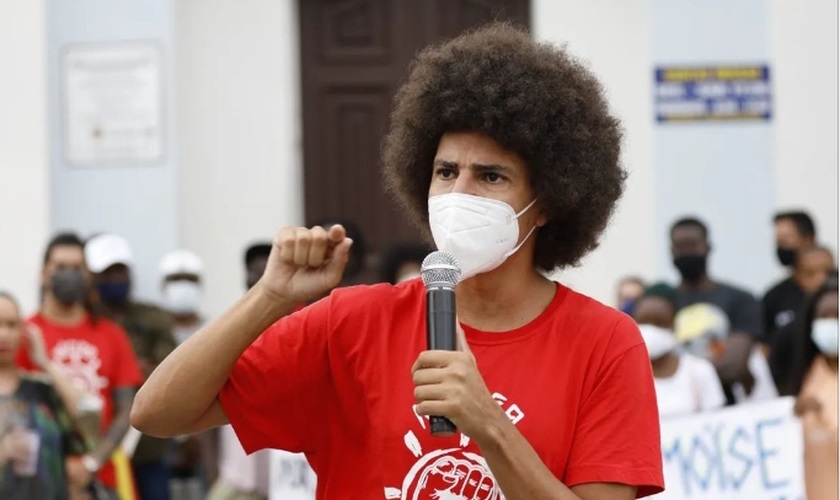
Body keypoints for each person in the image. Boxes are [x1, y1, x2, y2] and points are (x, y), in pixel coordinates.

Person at [133, 23, 664, 499]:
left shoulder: (604, 344)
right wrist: (268, 298)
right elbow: (156, 413)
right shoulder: (351, 323)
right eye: (446, 171)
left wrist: (489, 424)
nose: (461, 192)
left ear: (546, 202)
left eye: (491, 176)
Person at [16, 232, 143, 499]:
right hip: (40, 480)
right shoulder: (25, 335)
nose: (69, 275)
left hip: (103, 479)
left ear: (87, 276)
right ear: (43, 274)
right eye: (61, 267)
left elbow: (127, 409)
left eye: (77, 268)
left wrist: (91, 462)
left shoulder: (112, 335)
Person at [84, 233, 178, 500]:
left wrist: (129, 371)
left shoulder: (153, 317)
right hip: (100, 445)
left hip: (149, 444)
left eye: (120, 271)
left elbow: (171, 370)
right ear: (92, 276)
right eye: (108, 273)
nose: (116, 280)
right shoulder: (88, 322)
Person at [0, 291, 88, 499]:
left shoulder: (42, 389)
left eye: (11, 325)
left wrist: (45, 363)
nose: (3, 334)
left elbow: (88, 415)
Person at [669, 217, 765, 405]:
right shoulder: (663, 304)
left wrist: (673, 373)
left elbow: (733, 366)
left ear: (708, 247)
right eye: (680, 246)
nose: (686, 252)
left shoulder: (741, 299)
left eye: (692, 245)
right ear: (671, 251)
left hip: (726, 412)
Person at [205, 244, 273, 500]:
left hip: (282, 482)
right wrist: (214, 472)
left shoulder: (298, 326)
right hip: (237, 480)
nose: (260, 278)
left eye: (267, 270)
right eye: (253, 271)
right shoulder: (228, 331)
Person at [158, 250, 208, 500]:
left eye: (189, 278)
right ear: (163, 285)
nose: (182, 286)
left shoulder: (216, 330)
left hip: (205, 437)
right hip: (161, 438)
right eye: (176, 279)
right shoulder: (155, 334)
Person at [632, 283, 725, 418]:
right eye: (643, 322)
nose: (650, 330)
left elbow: (716, 424)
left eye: (659, 322)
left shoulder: (699, 371)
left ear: (674, 324)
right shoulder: (628, 377)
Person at [788, 273, 838, 500]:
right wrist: (792, 412)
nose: (831, 323)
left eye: (837, 316)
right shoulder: (804, 377)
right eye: (824, 317)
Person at [768, 246, 836, 391]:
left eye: (828, 272)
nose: (821, 279)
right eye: (810, 274)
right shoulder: (787, 334)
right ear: (797, 277)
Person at [762, 211, 820, 344]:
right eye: (778, 241)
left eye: (786, 239)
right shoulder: (773, 297)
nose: (781, 247)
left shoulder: (834, 289)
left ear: (808, 239)